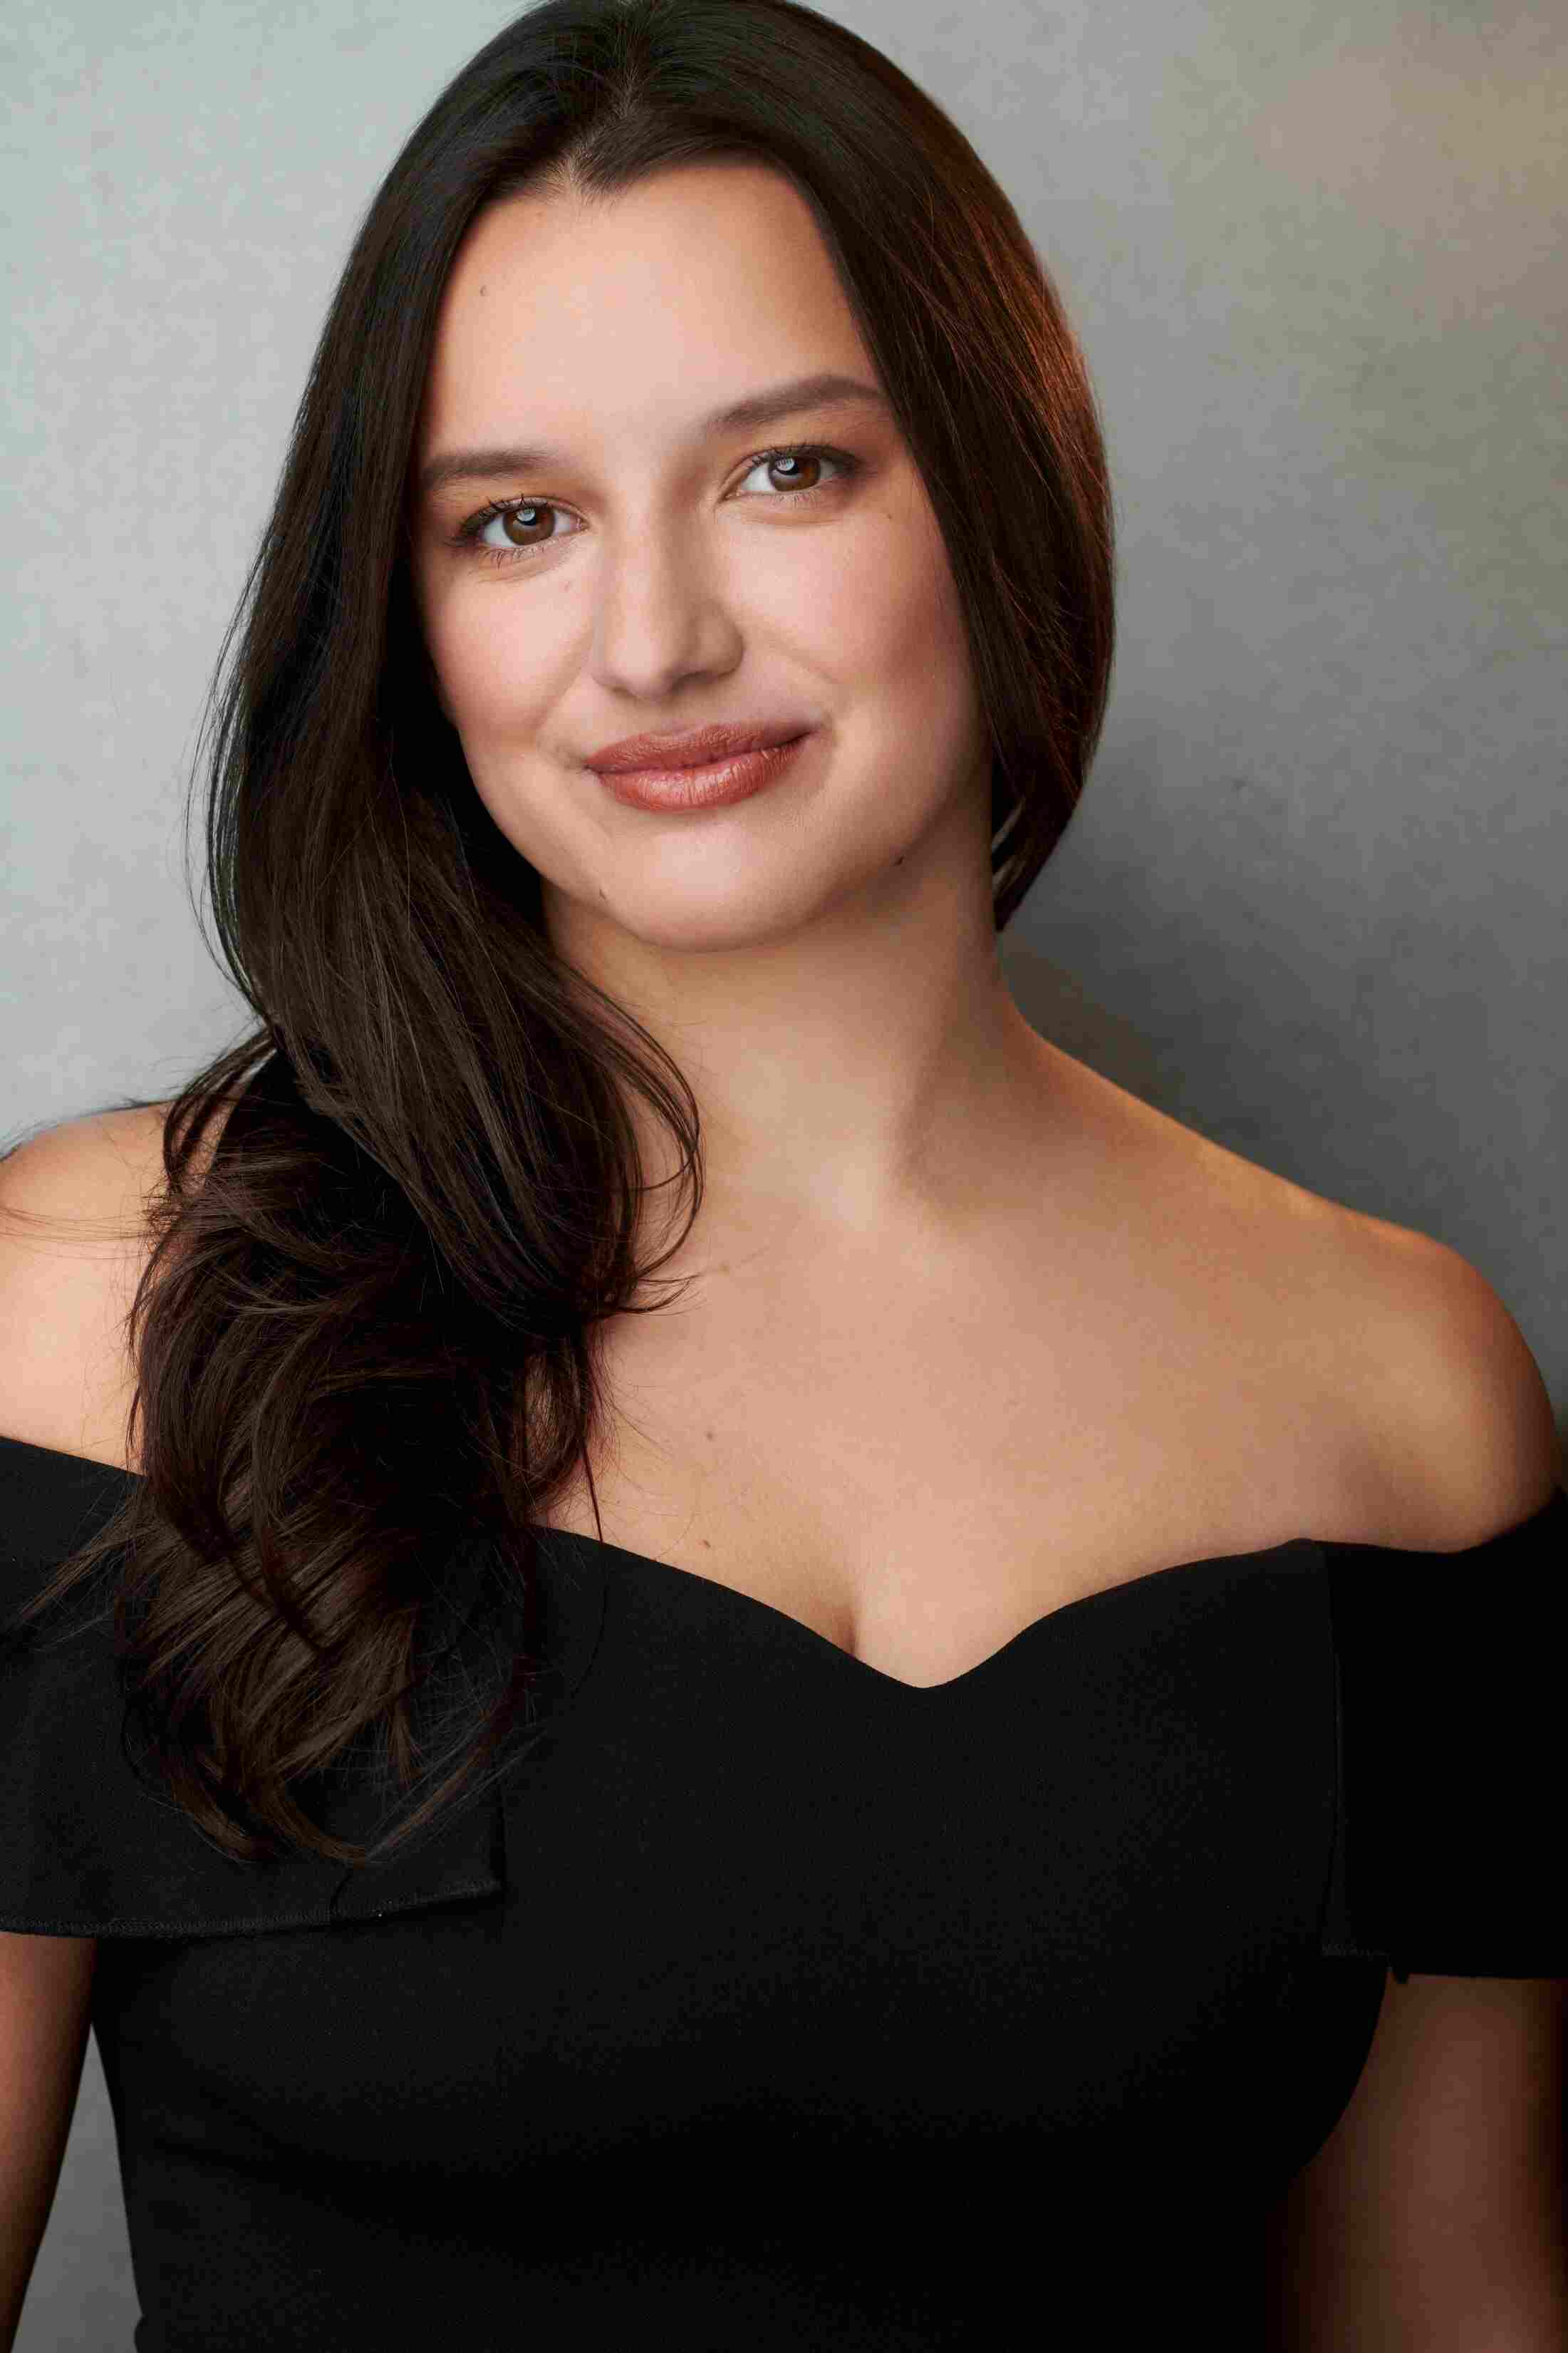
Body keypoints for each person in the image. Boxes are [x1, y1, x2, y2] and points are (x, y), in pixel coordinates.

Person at [2, 1, 1563, 2345]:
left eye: (786, 473)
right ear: (407, 619)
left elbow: (1449, 2314)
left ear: (997, 490)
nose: (654, 640)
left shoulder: (1398, 1394)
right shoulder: (98, 1310)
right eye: (514, 522)